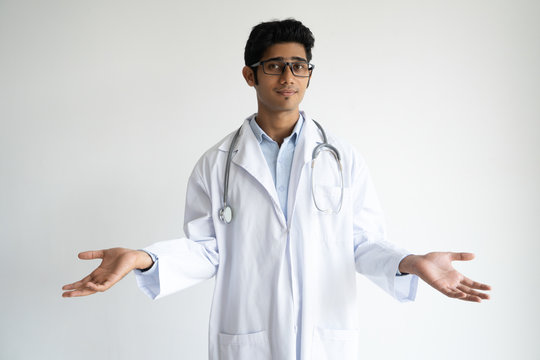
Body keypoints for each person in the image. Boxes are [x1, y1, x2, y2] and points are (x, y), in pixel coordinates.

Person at [62, 19, 491, 360]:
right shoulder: (216, 164)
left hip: (326, 337)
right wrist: (144, 258)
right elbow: (206, 249)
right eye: (274, 65)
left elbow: (361, 243)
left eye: (298, 65)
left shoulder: (342, 158)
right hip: (248, 338)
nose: (288, 75)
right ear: (250, 75)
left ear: (308, 74)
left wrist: (410, 262)